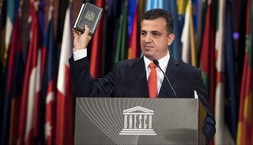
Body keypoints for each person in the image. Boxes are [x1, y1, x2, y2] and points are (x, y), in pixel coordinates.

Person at [69, 8, 215, 143]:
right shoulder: (122, 70)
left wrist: (193, 140)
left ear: (170, 39)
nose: (146, 39)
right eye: (143, 33)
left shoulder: (189, 75)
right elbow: (89, 95)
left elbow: (208, 121)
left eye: (155, 34)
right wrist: (80, 51)